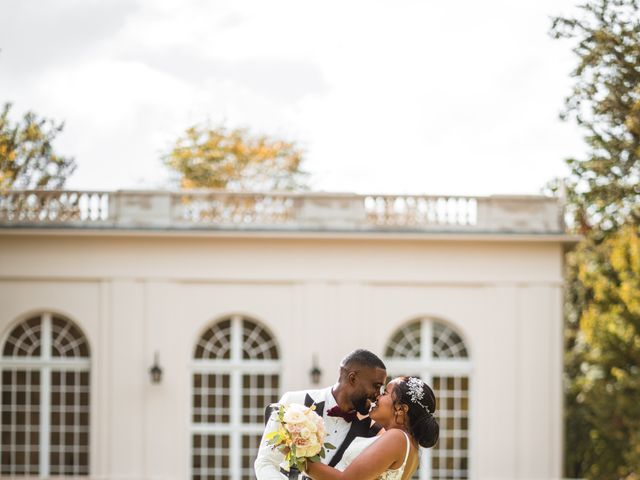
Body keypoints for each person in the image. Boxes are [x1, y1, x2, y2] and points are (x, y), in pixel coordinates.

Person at [254, 349, 388, 479]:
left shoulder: (373, 431)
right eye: (376, 386)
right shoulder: (293, 402)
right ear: (352, 378)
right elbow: (266, 462)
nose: (378, 395)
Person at [303, 376, 439, 480]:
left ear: (401, 409)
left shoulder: (397, 438)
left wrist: (298, 457)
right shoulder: (409, 444)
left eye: (385, 393)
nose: (377, 396)